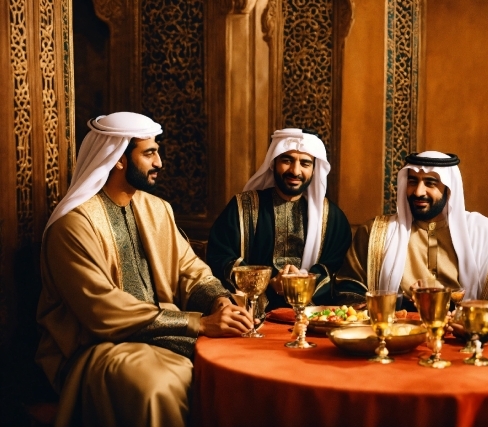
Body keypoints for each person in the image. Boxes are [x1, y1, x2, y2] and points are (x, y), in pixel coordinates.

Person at [35, 112, 253, 427]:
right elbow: (100, 310)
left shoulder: (157, 209)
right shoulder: (73, 225)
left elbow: (190, 269)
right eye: (149, 153)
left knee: (237, 367)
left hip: (170, 333)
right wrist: (197, 324)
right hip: (96, 347)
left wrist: (218, 301)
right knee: (158, 388)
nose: (159, 162)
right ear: (118, 158)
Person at [335, 151, 488, 332]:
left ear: (449, 189)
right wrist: (393, 306)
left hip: (463, 343)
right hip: (396, 339)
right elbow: (348, 291)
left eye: (430, 183)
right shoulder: (375, 233)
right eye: (413, 181)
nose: (419, 192)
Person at [207, 128, 353, 313]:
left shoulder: (332, 218)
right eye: (287, 160)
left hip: (311, 315)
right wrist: (267, 281)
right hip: (251, 314)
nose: (295, 171)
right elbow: (220, 257)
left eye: (305, 163)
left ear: (314, 170)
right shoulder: (242, 207)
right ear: (273, 163)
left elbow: (338, 269)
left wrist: (302, 283)